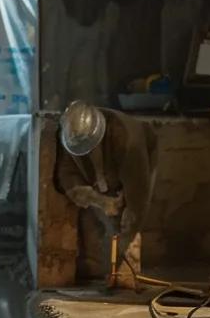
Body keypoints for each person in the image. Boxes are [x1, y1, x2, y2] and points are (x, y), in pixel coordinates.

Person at [54, 101, 156, 286]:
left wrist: (128, 209)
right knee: (94, 218)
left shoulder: (126, 139)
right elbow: (66, 174)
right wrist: (97, 200)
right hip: (99, 174)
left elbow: (138, 188)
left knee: (128, 220)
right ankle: (96, 268)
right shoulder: (69, 135)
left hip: (136, 164)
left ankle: (125, 274)